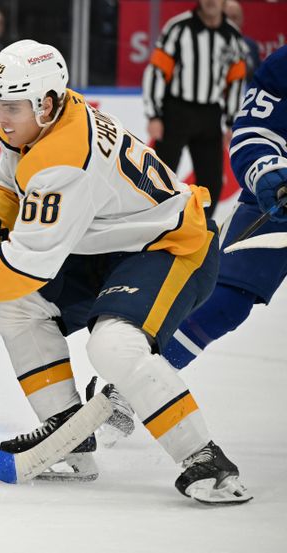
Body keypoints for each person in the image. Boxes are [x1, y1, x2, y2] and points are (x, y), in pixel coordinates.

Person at [0, 39, 251, 504]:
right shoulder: (43, 119)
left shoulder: (65, 158)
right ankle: (69, 436)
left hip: (173, 246)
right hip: (110, 246)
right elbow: (9, 180)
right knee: (13, 308)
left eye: (10, 106)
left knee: (113, 344)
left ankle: (206, 459)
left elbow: (25, 265)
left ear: (48, 102)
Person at [163, 46, 287, 369]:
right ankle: (138, 384)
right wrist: (269, 173)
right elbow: (255, 133)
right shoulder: (284, 64)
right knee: (224, 301)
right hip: (282, 200)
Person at [142, 0, 247, 220]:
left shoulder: (232, 36)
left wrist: (231, 123)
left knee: (212, 181)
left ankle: (199, 227)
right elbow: (157, 70)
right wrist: (154, 114)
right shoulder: (179, 27)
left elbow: (235, 81)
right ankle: (154, 223)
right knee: (160, 174)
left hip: (210, 114)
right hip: (176, 111)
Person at [224, 0, 260, 81]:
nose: (230, 22)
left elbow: (258, 79)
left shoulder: (251, 45)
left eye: (234, 17)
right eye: (226, 17)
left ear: (242, 20)